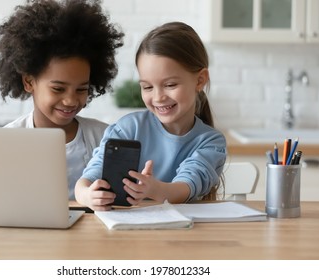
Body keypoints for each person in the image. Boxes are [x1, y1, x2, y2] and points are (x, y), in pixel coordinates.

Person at [75, 21, 227, 211]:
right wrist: (85, 195)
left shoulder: (210, 141)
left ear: (200, 80)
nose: (158, 97)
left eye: (170, 85)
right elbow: (89, 177)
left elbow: (188, 185)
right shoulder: (128, 129)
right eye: (147, 87)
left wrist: (155, 189)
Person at [0, 0, 124, 199]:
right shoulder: (5, 141)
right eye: (58, 89)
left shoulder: (105, 138)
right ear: (29, 82)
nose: (71, 100)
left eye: (82, 89)